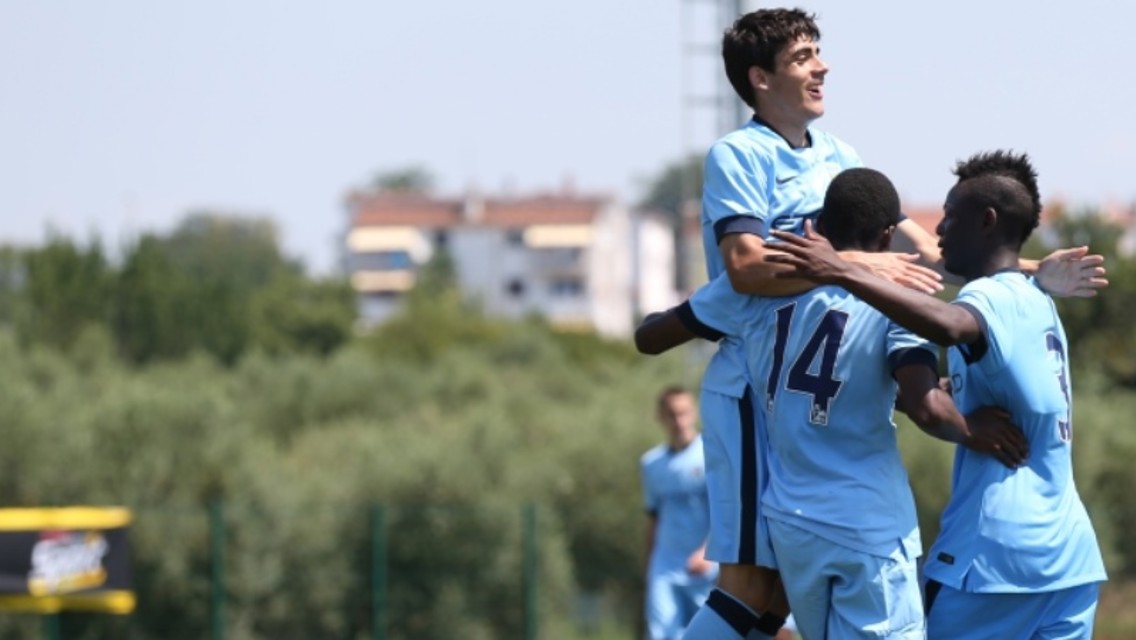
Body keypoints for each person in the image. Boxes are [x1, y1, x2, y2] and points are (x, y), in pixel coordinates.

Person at [642, 9, 1103, 640]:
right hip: (750, 392)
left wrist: (1028, 267)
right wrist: (851, 266)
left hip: (805, 431)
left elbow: (929, 256)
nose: (822, 66)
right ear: (760, 78)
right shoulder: (738, 154)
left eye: (817, 52)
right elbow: (745, 267)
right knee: (749, 586)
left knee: (772, 597)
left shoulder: (842, 157)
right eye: (803, 57)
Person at [765, 150, 1108, 639]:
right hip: (1070, 560)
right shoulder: (1037, 300)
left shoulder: (988, 297)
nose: (939, 230)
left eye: (950, 215)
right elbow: (974, 392)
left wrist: (841, 270)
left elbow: (949, 325)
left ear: (987, 221)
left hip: (994, 556)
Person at [675, 167, 1030, 639]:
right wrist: (971, 428)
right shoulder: (900, 297)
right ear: (887, 236)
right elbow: (923, 405)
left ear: (821, 225)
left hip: (791, 519)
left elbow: (654, 333)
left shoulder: (764, 287)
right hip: (866, 523)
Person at [641, 386, 719, 640]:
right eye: (672, 414)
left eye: (684, 413)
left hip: (707, 566)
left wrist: (708, 552)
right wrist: (649, 566)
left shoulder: (712, 454)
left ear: (694, 413)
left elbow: (727, 513)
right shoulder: (651, 464)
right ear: (661, 417)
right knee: (662, 633)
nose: (679, 421)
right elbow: (653, 517)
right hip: (665, 567)